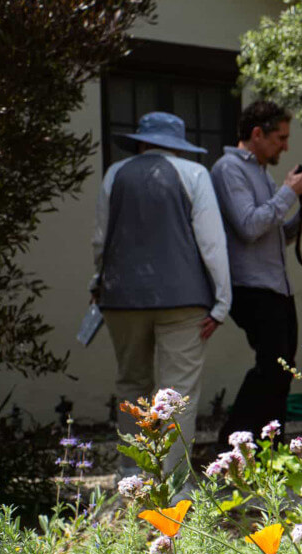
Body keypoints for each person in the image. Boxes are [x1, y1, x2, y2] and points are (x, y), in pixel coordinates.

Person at [90, 112, 231, 476]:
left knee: (131, 385)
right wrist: (222, 302)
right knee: (178, 394)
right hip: (184, 301)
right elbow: (211, 243)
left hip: (121, 298)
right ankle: (174, 486)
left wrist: (98, 281)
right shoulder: (193, 174)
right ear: (177, 145)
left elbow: (100, 241)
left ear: (141, 141)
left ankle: (132, 477)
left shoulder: (115, 174)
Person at [210, 101, 302, 446]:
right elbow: (248, 226)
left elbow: (272, 235)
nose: (286, 146)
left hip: (276, 287)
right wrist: (288, 192)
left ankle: (268, 446)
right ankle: (231, 442)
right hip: (251, 288)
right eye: (280, 138)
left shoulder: (261, 171)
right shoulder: (228, 169)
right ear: (257, 134)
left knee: (282, 368)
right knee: (272, 366)